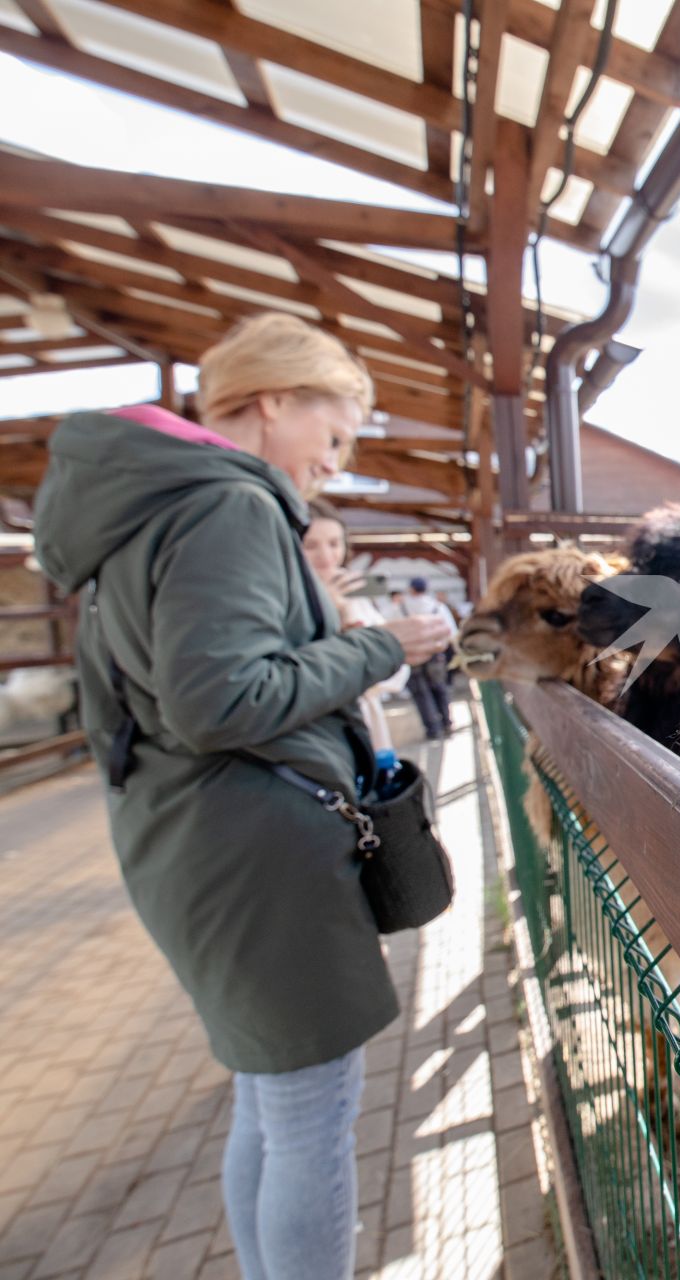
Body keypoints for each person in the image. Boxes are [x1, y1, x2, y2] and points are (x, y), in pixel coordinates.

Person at [33, 313, 454, 1280]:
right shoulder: (229, 506)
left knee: (271, 1104)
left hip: (188, 834)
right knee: (312, 1119)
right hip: (260, 852)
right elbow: (220, 697)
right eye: (334, 432)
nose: (334, 462)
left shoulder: (143, 506)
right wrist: (384, 644)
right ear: (273, 403)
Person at [301, 501, 411, 755]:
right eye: (310, 545)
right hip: (321, 730)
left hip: (367, 721)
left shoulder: (356, 593)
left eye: (334, 543)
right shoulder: (289, 599)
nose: (326, 556)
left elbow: (395, 668)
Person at [397, 577, 457, 739]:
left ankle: (432, 728)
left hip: (412, 657)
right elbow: (451, 631)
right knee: (440, 689)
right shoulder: (437, 607)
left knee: (420, 693)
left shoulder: (402, 607)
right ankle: (447, 723)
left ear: (411, 589)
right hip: (435, 654)